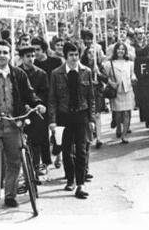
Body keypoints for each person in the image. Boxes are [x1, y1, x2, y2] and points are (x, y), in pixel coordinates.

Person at [0, 40, 46, 213]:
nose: (2, 56)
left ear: (10, 55)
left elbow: (30, 94)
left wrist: (38, 104)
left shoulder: (18, 74)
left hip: (14, 125)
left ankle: (10, 195)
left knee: (14, 162)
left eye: (5, 52)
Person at [48, 41, 95, 199]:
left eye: (76, 55)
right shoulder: (56, 73)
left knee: (81, 150)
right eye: (71, 55)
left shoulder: (86, 71)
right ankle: (70, 179)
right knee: (66, 150)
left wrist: (91, 118)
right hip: (64, 115)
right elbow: (52, 99)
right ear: (65, 56)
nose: (74, 58)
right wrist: (52, 121)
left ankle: (80, 183)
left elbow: (91, 98)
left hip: (81, 115)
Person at [31, 36, 63, 169]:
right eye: (33, 50)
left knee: (57, 129)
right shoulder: (33, 65)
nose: (35, 53)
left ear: (44, 49)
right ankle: (45, 161)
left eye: (37, 50)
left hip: (56, 101)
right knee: (43, 132)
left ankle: (59, 155)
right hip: (42, 102)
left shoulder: (56, 61)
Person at [18, 45, 51, 176]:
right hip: (22, 110)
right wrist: (24, 105)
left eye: (33, 56)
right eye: (28, 56)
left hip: (38, 111)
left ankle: (38, 165)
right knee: (23, 140)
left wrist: (38, 104)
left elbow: (45, 93)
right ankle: (25, 166)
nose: (31, 59)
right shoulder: (17, 73)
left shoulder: (41, 74)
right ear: (22, 58)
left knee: (39, 139)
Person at [103, 42, 137, 143]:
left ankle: (124, 135)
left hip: (128, 90)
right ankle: (118, 126)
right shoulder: (109, 63)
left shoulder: (130, 63)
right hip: (116, 91)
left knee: (127, 113)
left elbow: (132, 75)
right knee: (117, 113)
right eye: (118, 49)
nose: (120, 51)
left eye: (123, 49)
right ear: (115, 51)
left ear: (125, 51)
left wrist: (134, 78)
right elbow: (104, 76)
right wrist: (110, 83)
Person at [81, 47, 108, 149]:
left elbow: (106, 79)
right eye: (89, 53)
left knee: (97, 115)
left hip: (97, 94)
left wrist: (99, 74)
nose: (91, 55)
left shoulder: (99, 66)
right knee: (88, 116)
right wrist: (91, 82)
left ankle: (99, 138)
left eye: (94, 53)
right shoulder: (83, 67)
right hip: (86, 94)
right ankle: (90, 137)